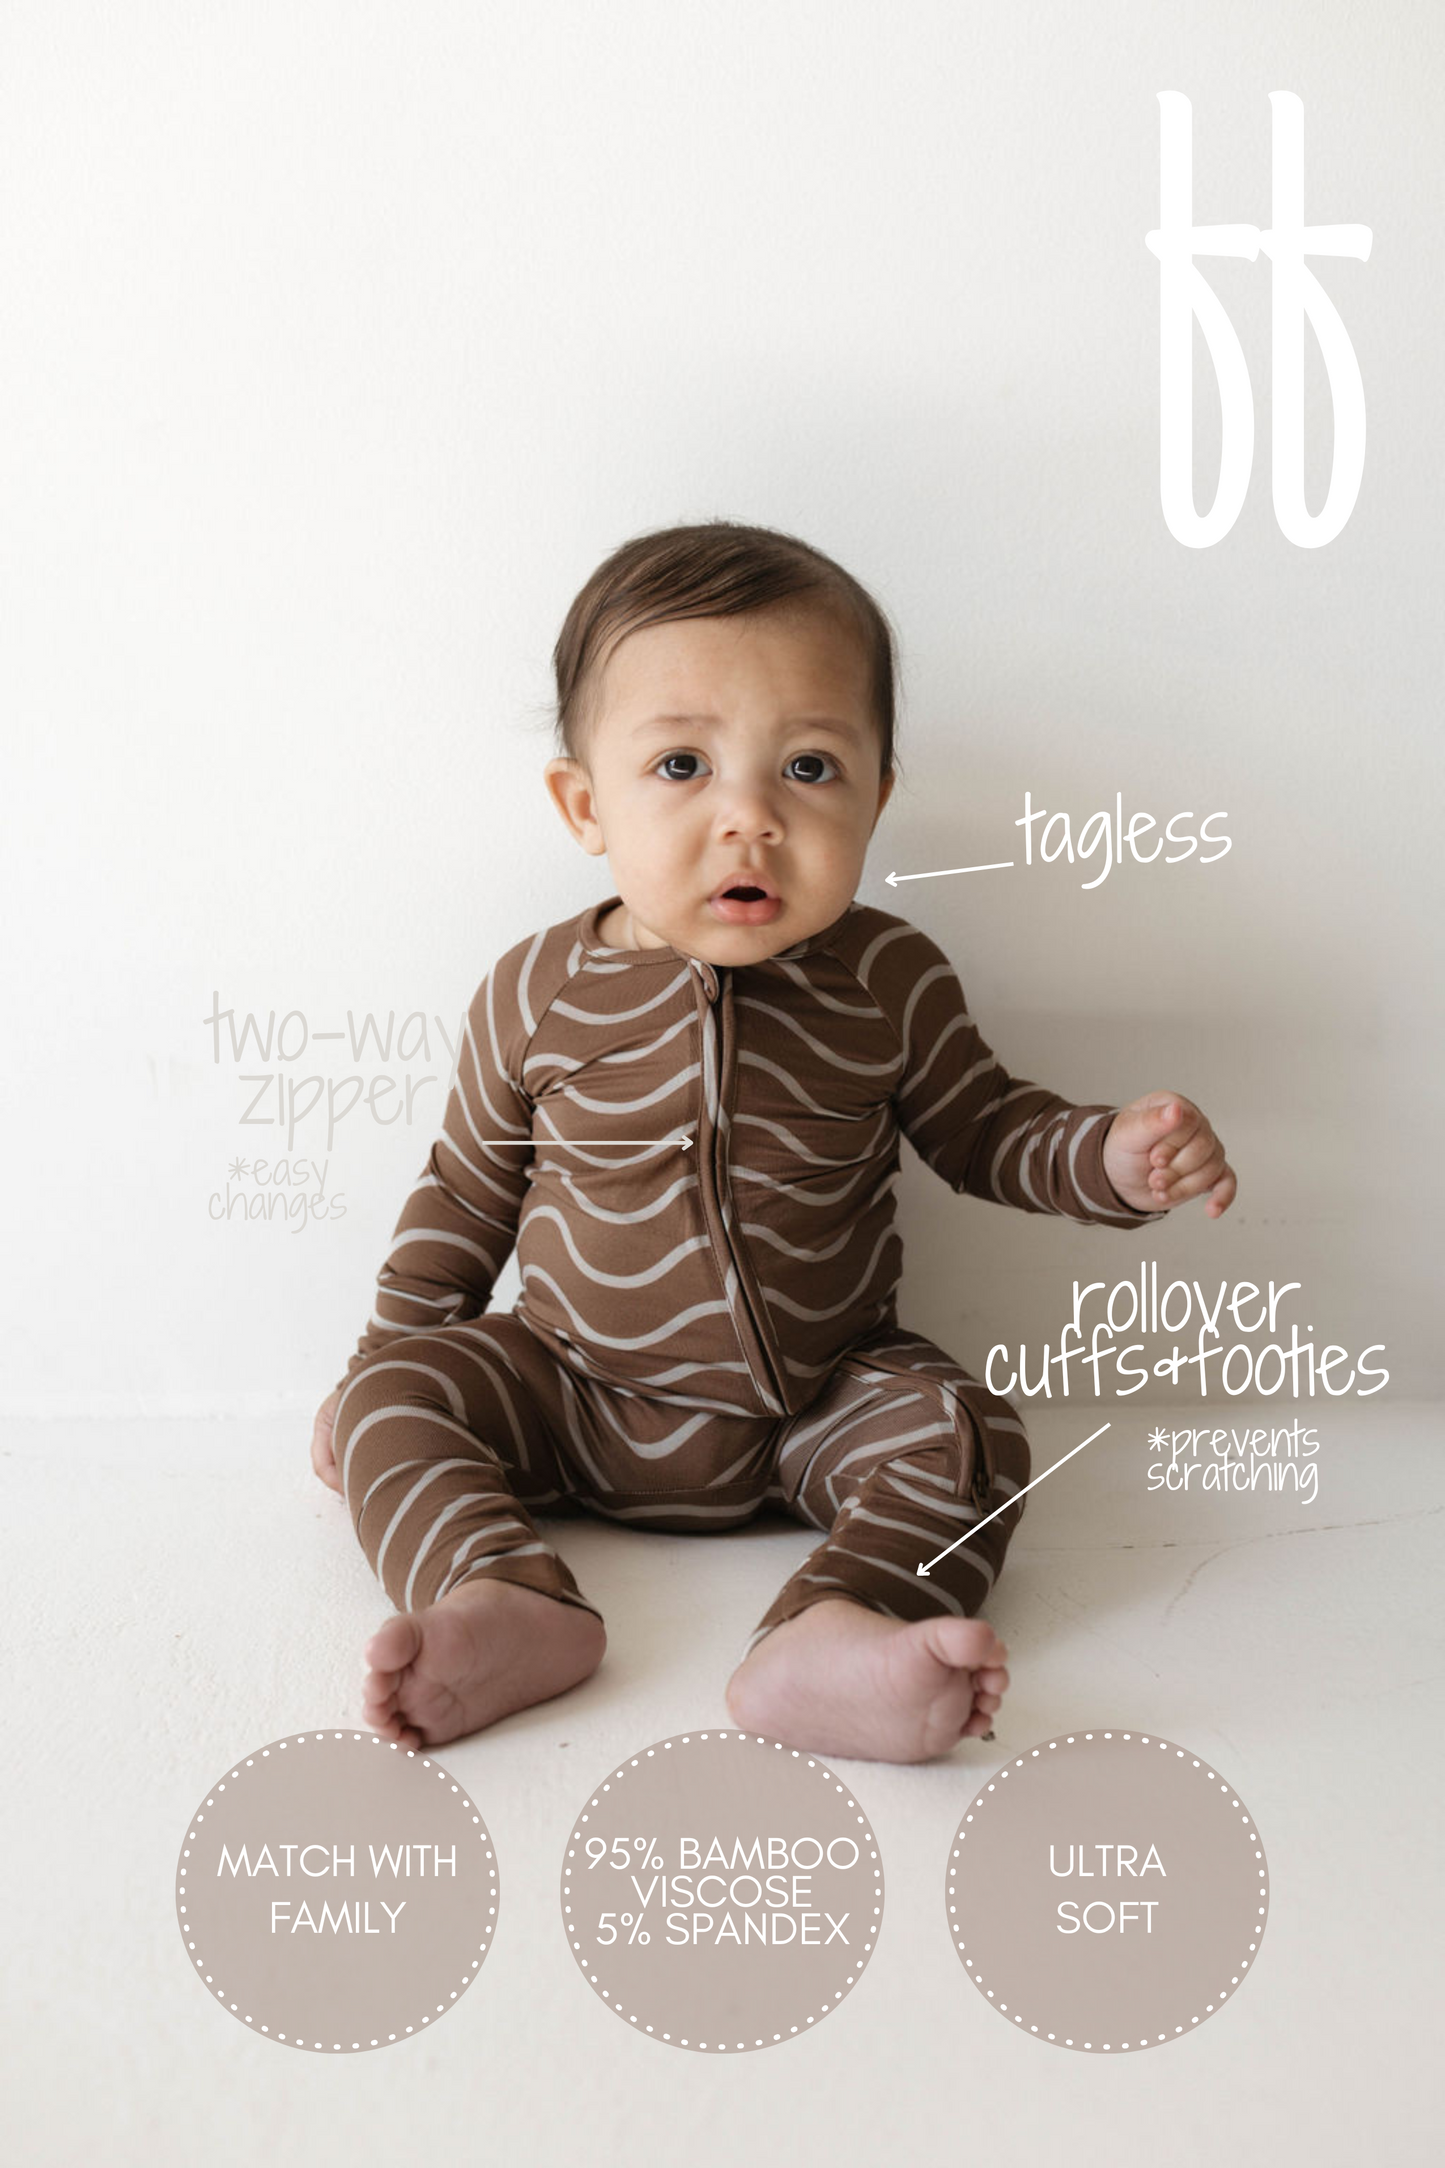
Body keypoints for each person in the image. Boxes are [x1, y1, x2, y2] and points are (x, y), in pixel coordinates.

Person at [310, 519, 1234, 1763]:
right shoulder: (533, 992)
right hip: (571, 1388)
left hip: (818, 1398)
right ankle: (501, 1596)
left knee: (968, 1431)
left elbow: (983, 1128)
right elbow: (465, 1196)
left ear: (876, 796)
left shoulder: (887, 977)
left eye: (806, 769)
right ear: (585, 805)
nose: (747, 817)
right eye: (682, 764)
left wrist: (1110, 1160)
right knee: (389, 1397)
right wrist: (386, 1358)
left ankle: (835, 1630)